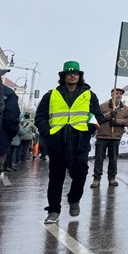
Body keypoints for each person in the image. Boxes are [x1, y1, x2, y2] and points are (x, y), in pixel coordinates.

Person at [34, 61, 105, 224]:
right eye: (69, 73)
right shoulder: (51, 95)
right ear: (63, 76)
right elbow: (40, 116)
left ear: (80, 76)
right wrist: (47, 133)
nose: (72, 76)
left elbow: (98, 117)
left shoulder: (89, 95)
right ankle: (53, 210)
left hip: (79, 142)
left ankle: (74, 199)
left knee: (80, 175)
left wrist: (88, 129)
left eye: (75, 73)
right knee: (56, 178)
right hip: (57, 142)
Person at [91, 88, 128, 188]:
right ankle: (96, 179)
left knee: (113, 160)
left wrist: (117, 122)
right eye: (116, 93)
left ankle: (112, 178)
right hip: (102, 136)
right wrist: (109, 115)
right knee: (99, 159)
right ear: (112, 94)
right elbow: (96, 119)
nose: (119, 95)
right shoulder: (102, 106)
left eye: (120, 93)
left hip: (116, 137)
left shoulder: (125, 109)